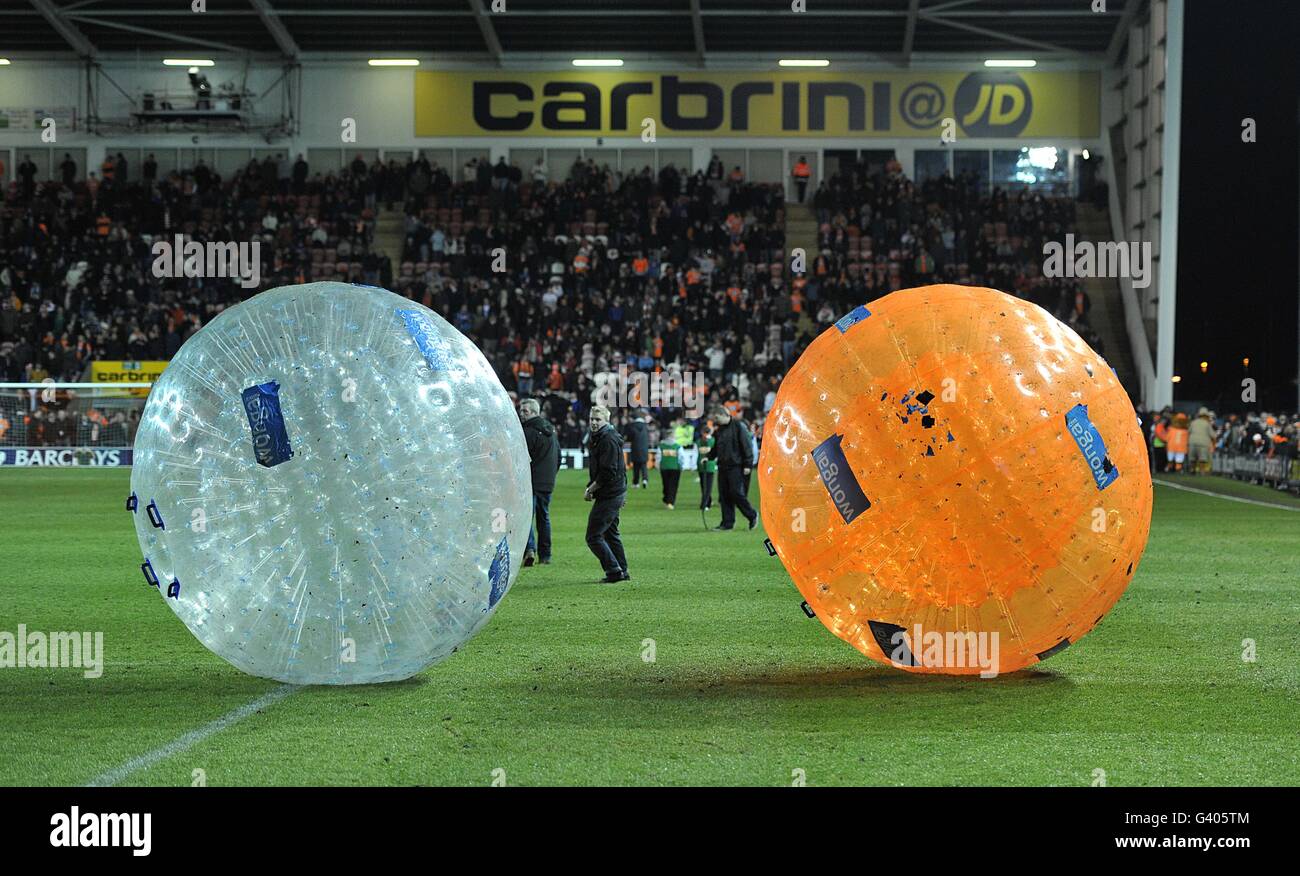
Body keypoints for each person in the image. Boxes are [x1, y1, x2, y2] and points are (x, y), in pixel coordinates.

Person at [584, 405, 630, 583]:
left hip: (610, 494)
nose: (594, 423)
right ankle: (622, 570)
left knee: (593, 536)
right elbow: (618, 469)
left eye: (598, 420)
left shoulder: (607, 439)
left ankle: (613, 571)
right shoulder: (603, 437)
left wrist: (591, 489)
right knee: (611, 534)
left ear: (606, 420)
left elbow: (608, 471)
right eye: (592, 419)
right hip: (614, 492)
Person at [520, 398, 559, 566]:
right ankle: (546, 555)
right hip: (547, 481)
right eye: (521, 411)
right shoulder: (551, 432)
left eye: (525, 411)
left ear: (535, 413)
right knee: (544, 517)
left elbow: (520, 458)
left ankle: (529, 549)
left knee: (526, 516)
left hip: (531, 481)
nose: (521, 414)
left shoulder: (527, 432)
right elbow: (559, 456)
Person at [708, 408, 757, 530]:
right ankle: (727, 523)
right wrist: (708, 457)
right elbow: (716, 447)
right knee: (724, 495)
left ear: (724, 415)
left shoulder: (738, 427)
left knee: (736, 493)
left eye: (717, 418)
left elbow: (746, 446)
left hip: (736, 466)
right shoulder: (720, 429)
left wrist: (747, 464)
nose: (716, 421)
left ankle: (752, 514)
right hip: (722, 466)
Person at [658, 425, 682, 510]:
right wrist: (681, 466)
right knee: (673, 485)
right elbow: (681, 458)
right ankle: (671, 502)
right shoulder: (677, 446)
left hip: (664, 468)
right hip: (675, 468)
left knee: (666, 485)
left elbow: (658, 457)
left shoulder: (661, 445)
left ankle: (666, 499)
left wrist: (659, 466)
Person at [626, 408, 649, 488]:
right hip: (644, 448)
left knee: (636, 467)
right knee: (644, 465)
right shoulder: (646, 426)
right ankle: (645, 480)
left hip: (635, 448)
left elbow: (629, 438)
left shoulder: (632, 426)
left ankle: (636, 483)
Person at [1188, 407, 1215, 475]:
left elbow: (1189, 431)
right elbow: (1213, 435)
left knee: (1192, 458)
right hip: (1203, 444)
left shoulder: (1193, 422)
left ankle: (1192, 469)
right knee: (1203, 459)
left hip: (1192, 442)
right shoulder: (1207, 423)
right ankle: (1202, 471)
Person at [698, 422, 716, 511]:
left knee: (706, 486)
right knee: (705, 486)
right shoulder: (700, 441)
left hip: (708, 466)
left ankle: (704, 504)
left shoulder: (712, 441)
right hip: (705, 466)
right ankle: (708, 501)